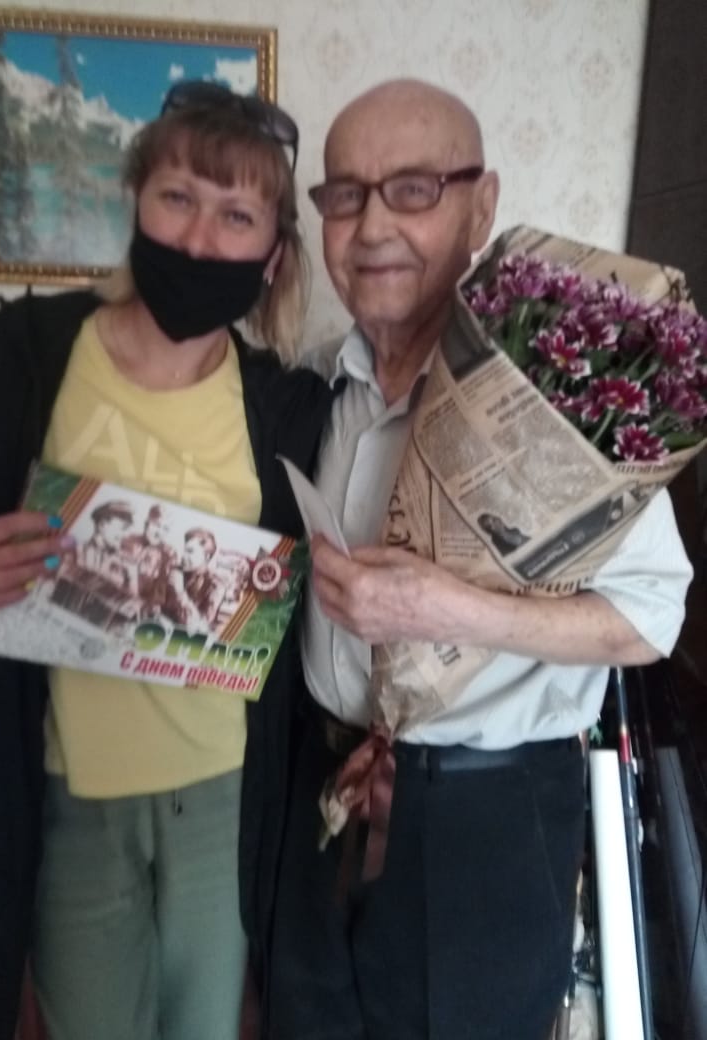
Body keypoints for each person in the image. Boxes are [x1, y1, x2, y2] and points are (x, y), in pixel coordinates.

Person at [264, 79, 693, 1040]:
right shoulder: (317, 384)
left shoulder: (558, 406)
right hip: (322, 793)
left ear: (482, 206)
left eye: (414, 189)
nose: (373, 226)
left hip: (489, 822)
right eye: (345, 195)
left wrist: (450, 611)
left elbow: (651, 619)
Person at [0, 81, 334, 1040]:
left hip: (227, 801)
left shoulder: (289, 406)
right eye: (177, 197)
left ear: (274, 255)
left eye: (236, 215)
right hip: (68, 796)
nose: (199, 237)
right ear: (135, 201)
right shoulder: (22, 355)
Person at [164, 526, 227, 633]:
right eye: (184, 551)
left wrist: (179, 592)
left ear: (206, 556)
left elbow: (199, 626)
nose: (183, 556)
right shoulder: (175, 571)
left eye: (190, 551)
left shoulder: (216, 585)